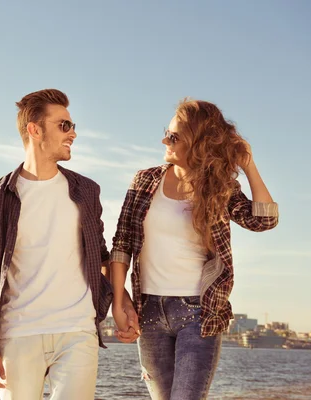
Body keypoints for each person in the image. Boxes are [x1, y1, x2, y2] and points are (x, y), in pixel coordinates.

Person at [110, 99, 279, 400]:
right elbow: (121, 242)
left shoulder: (219, 187)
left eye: (174, 137)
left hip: (198, 313)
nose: (165, 140)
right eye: (167, 133)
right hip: (149, 311)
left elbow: (263, 220)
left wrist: (248, 164)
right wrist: (119, 299)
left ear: (198, 143)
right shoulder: (145, 181)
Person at [0, 88, 135, 399]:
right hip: (17, 333)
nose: (72, 133)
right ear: (35, 130)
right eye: (64, 125)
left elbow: (99, 255)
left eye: (73, 126)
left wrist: (121, 300)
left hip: (77, 330)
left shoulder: (86, 191)